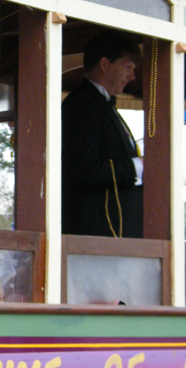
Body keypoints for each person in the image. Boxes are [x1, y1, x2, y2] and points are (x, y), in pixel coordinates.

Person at [61, 31, 143, 238]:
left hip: (113, 233)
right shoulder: (81, 105)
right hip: (96, 233)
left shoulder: (102, 106)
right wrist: (139, 165)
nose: (132, 76)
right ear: (105, 64)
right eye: (128, 67)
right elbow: (85, 170)